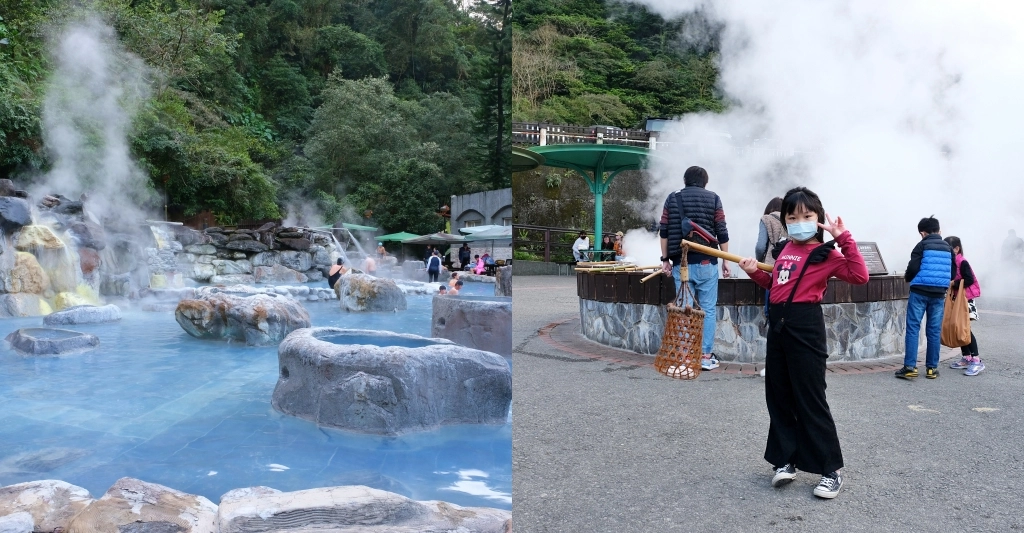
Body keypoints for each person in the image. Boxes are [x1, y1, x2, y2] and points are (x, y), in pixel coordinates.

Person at [739, 186, 868, 501]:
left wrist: (843, 237)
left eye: (806, 215)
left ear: (818, 218)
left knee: (810, 399)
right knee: (779, 396)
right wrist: (755, 273)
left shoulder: (826, 253)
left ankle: (831, 471)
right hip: (779, 326)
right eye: (792, 216)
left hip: (806, 327)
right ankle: (786, 460)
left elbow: (859, 276)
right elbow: (776, 284)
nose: (799, 221)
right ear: (785, 219)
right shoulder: (784, 249)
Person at [658, 165, 730, 370]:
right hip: (707, 261)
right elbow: (721, 230)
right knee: (706, 309)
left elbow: (663, 230)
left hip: (682, 263)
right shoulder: (714, 198)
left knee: (683, 310)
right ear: (705, 182)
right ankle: (705, 357)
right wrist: (726, 260)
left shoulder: (673, 198)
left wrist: (665, 259)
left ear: (685, 180)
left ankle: (684, 358)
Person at [895, 216, 955, 380]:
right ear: (939, 230)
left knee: (913, 328)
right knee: (934, 331)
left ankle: (910, 367)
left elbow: (913, 266)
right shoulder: (948, 248)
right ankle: (932, 369)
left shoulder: (922, 245)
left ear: (922, 233)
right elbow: (953, 272)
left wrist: (908, 277)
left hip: (920, 291)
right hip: (938, 294)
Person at [945, 236, 984, 376]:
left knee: (964, 328)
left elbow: (969, 279)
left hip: (966, 300)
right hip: (958, 299)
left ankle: (976, 360)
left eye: (948, 249)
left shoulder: (962, 261)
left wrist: (954, 283)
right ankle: (966, 357)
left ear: (957, 249)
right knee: (958, 327)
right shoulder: (952, 261)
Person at [755, 197, 787, 266]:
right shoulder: (791, 220)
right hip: (787, 264)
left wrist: (759, 262)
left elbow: (760, 247)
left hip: (769, 264)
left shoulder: (766, 219)